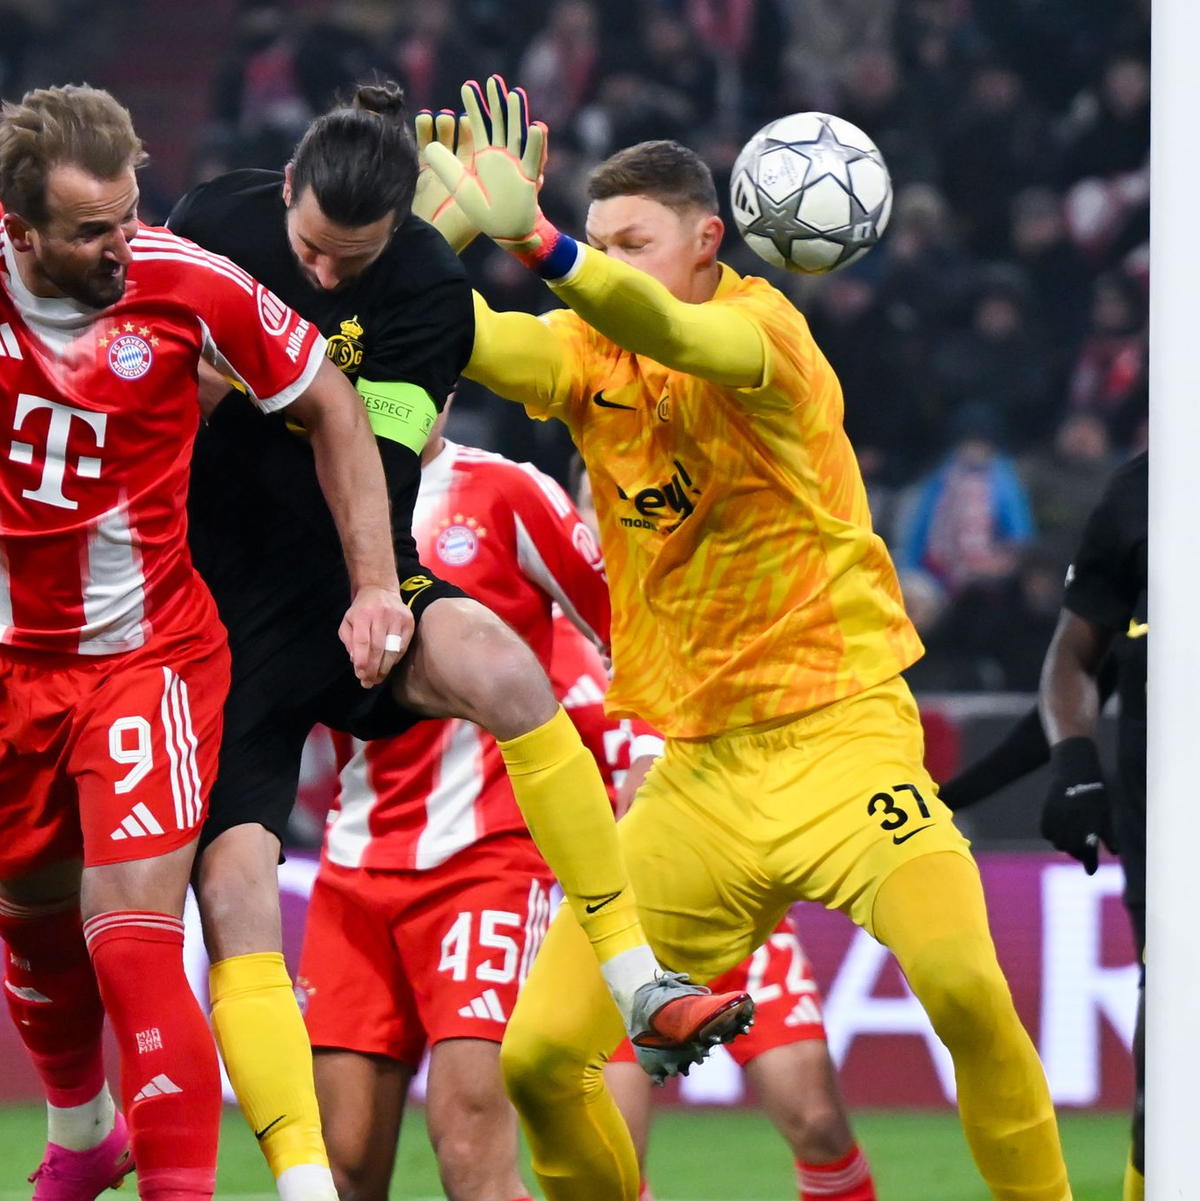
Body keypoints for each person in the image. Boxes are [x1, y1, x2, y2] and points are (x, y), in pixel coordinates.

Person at [422, 76, 1071, 1200]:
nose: (612, 261)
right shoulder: (582, 357)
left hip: (844, 741)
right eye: (602, 239)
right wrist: (428, 245)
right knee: (535, 1060)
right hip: (699, 782)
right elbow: (464, 341)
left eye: (635, 240)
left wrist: (536, 236)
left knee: (967, 986)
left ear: (709, 240)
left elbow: (669, 325)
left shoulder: (766, 330)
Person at [167, 80, 748, 1201]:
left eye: (356, 259)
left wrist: (379, 592)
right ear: (282, 192)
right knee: (233, 887)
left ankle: (630, 970)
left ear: (400, 230)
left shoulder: (428, 288)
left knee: (501, 666)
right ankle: (296, 1185)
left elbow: (377, 457)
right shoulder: (212, 223)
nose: (329, 277)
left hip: (346, 582)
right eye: (312, 253)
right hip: (212, 608)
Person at [0, 85, 407, 1201]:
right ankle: (84, 1133)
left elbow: (332, 402)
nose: (123, 245)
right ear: (17, 228)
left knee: (128, 935)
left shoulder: (185, 282)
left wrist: (375, 585)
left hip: (148, 655)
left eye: (129, 214)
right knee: (29, 918)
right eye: (91, 232)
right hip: (11, 665)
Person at [298, 406, 618, 1201]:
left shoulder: (508, 491)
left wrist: (646, 751)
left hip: (488, 861)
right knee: (342, 1164)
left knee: (471, 1152)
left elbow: (627, 623)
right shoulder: (308, 500)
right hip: (353, 867)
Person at [564, 464, 877, 1201]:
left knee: (818, 1120)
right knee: (614, 1160)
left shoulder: (697, 615)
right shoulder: (543, 627)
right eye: (591, 498)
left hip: (732, 904)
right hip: (614, 929)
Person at [940, 451, 1146, 1201]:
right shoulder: (1139, 492)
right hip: (1161, 845)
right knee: (1163, 1098)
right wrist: (1072, 764)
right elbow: (1082, 660)